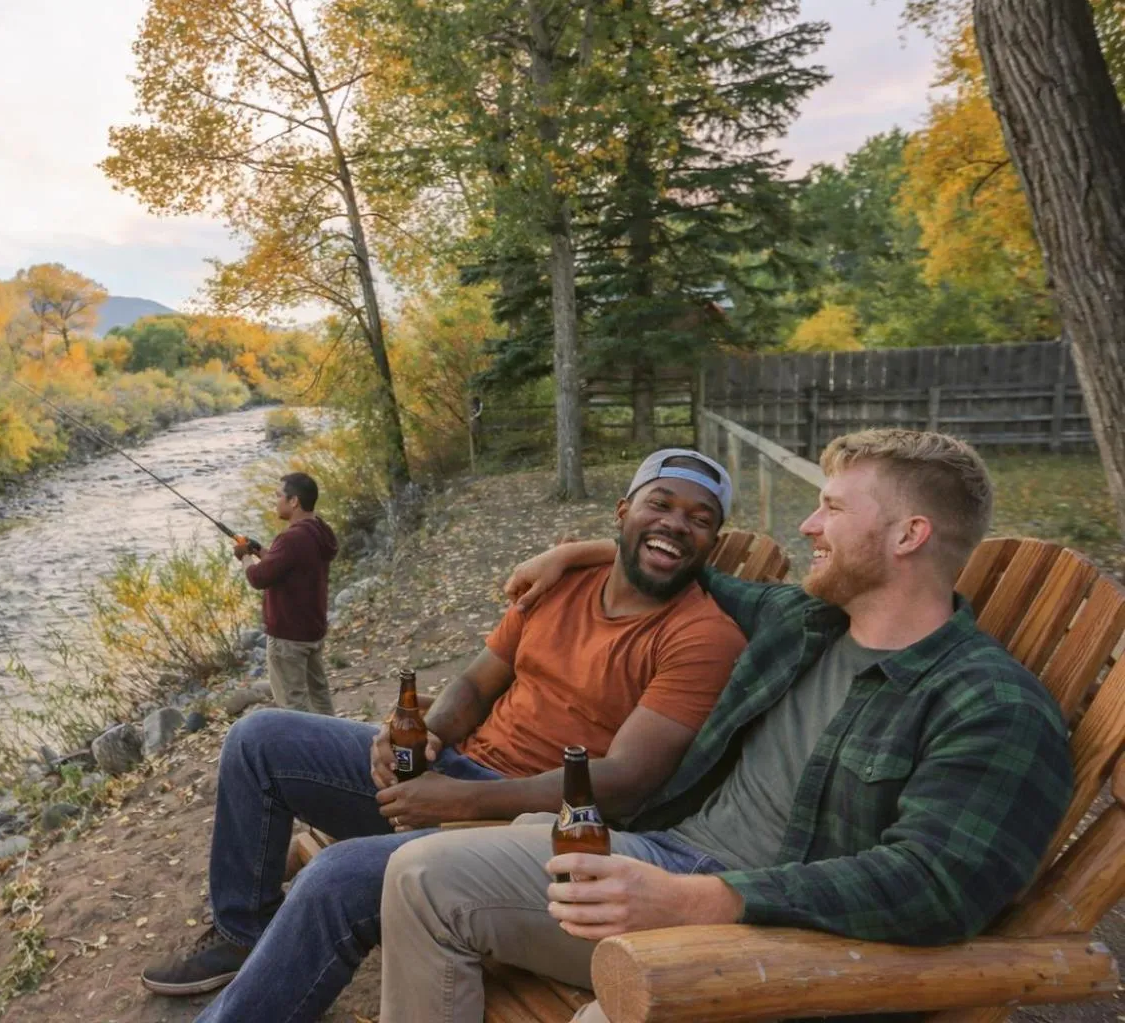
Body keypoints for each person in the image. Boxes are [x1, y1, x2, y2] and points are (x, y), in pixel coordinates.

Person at [377, 429, 1074, 1023]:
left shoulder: (990, 706)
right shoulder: (805, 621)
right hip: (666, 858)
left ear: (908, 535)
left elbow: (936, 885)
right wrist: (576, 553)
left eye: (830, 508)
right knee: (419, 874)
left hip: (773, 942)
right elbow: (674, 561)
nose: (807, 527)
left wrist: (703, 900)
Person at [140, 450, 750, 1023]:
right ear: (624, 511)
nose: (675, 525)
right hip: (459, 772)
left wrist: (459, 802)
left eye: (699, 519)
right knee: (258, 737)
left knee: (339, 875)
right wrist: (426, 738)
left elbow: (622, 784)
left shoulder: (700, 637)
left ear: (712, 544)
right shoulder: (557, 585)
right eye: (660, 504)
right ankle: (245, 933)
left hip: (529, 829)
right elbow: (476, 686)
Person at [236, 472, 340, 714]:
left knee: (293, 705)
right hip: (312, 631)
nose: (276, 501)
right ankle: (336, 742)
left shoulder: (291, 538)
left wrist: (244, 557)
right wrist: (260, 551)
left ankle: (306, 749)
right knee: (319, 695)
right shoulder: (319, 530)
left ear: (294, 501)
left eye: (279, 496)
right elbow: (291, 564)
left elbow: (258, 578)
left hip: (288, 637)